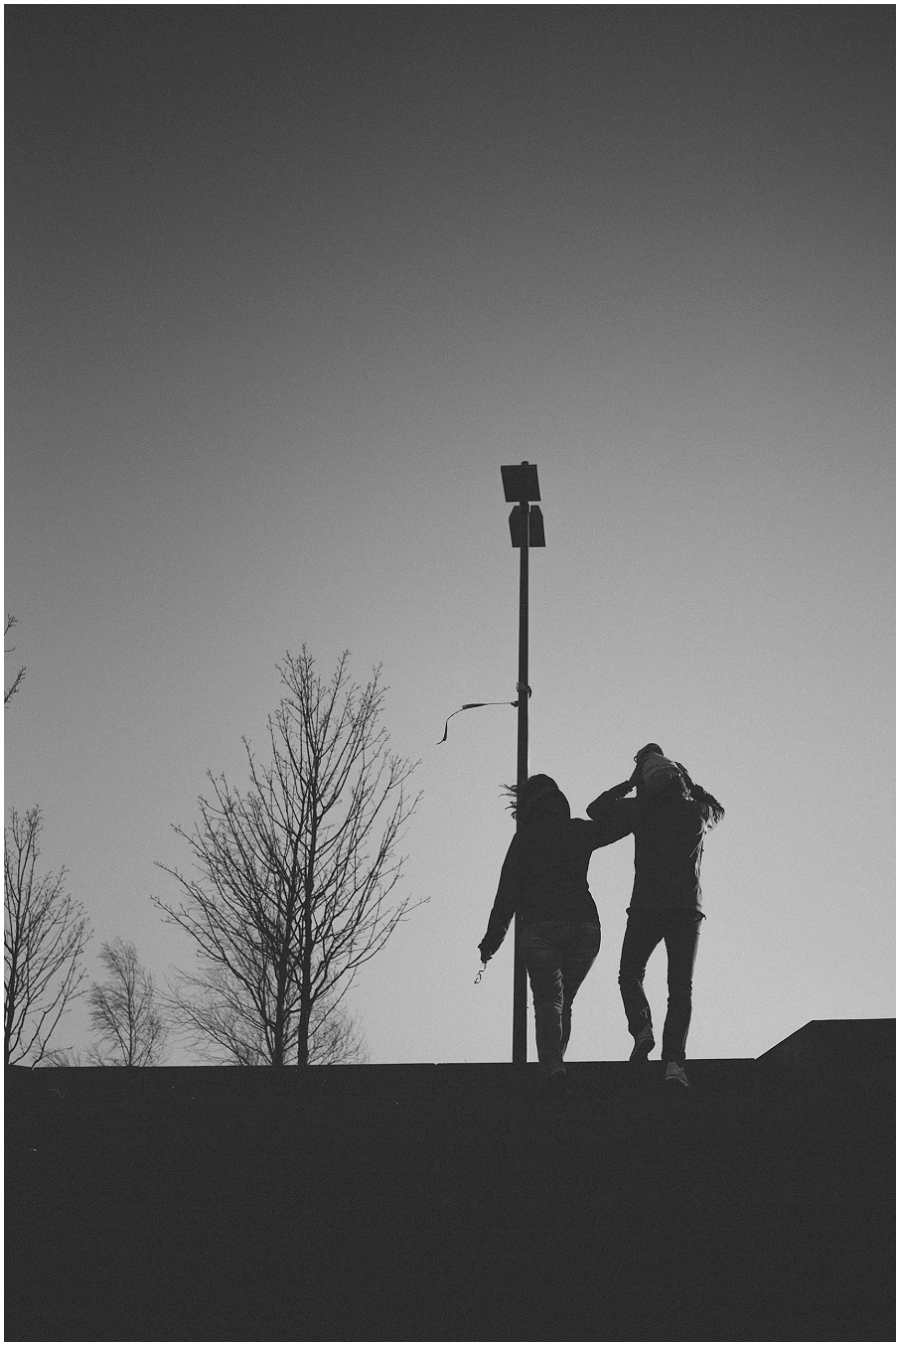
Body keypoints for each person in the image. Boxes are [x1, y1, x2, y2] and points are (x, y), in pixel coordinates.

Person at [587, 744, 724, 1088]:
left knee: (630, 973)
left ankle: (642, 1028)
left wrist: (629, 783)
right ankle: (674, 1063)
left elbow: (595, 810)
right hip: (685, 910)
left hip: (647, 905)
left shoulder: (641, 810)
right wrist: (691, 784)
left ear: (647, 782)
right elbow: (718, 809)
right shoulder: (696, 812)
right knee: (680, 989)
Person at [478, 774, 614, 1093]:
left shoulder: (525, 838)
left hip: (541, 926)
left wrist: (490, 943)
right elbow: (618, 824)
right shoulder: (579, 829)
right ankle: (556, 1066)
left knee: (548, 1000)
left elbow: (507, 896)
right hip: (585, 927)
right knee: (563, 1001)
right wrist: (634, 789)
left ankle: (553, 1068)